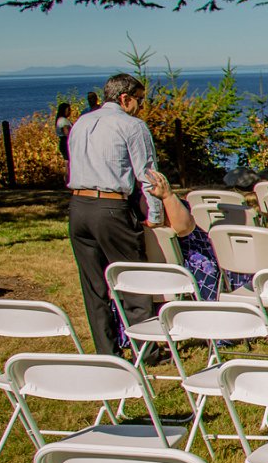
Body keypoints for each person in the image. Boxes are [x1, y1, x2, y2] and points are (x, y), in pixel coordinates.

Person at [66, 72, 163, 361]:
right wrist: (154, 215)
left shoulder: (81, 122)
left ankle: (106, 351)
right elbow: (148, 175)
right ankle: (146, 350)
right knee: (134, 278)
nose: (142, 106)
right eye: (140, 100)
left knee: (93, 285)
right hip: (110, 207)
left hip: (77, 207)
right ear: (125, 98)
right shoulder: (132, 126)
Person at [112, 170, 249, 348]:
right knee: (228, 264)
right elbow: (184, 227)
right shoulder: (149, 196)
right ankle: (228, 323)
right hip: (187, 260)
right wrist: (168, 196)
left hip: (144, 270)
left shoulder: (118, 206)